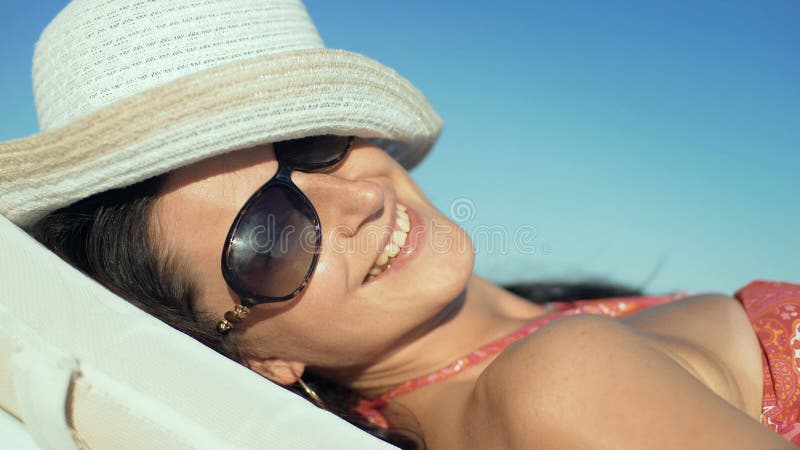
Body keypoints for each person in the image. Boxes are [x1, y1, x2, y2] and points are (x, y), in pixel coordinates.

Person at [1, 1, 797, 449]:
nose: (355, 201)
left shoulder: (546, 347)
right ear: (258, 353)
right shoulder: (556, 382)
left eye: (313, 146)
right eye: (271, 237)